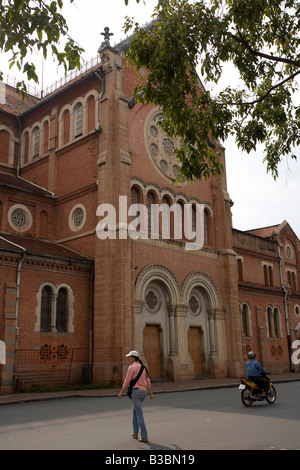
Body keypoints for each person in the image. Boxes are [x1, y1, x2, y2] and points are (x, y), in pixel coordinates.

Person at [118, 350, 153, 442]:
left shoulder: (131, 367)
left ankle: (144, 436)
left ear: (133, 357)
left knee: (139, 413)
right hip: (143, 392)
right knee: (135, 411)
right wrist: (150, 392)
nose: (128, 358)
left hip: (136, 392)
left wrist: (121, 392)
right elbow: (148, 381)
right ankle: (135, 431)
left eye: (129, 357)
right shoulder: (143, 368)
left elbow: (127, 381)